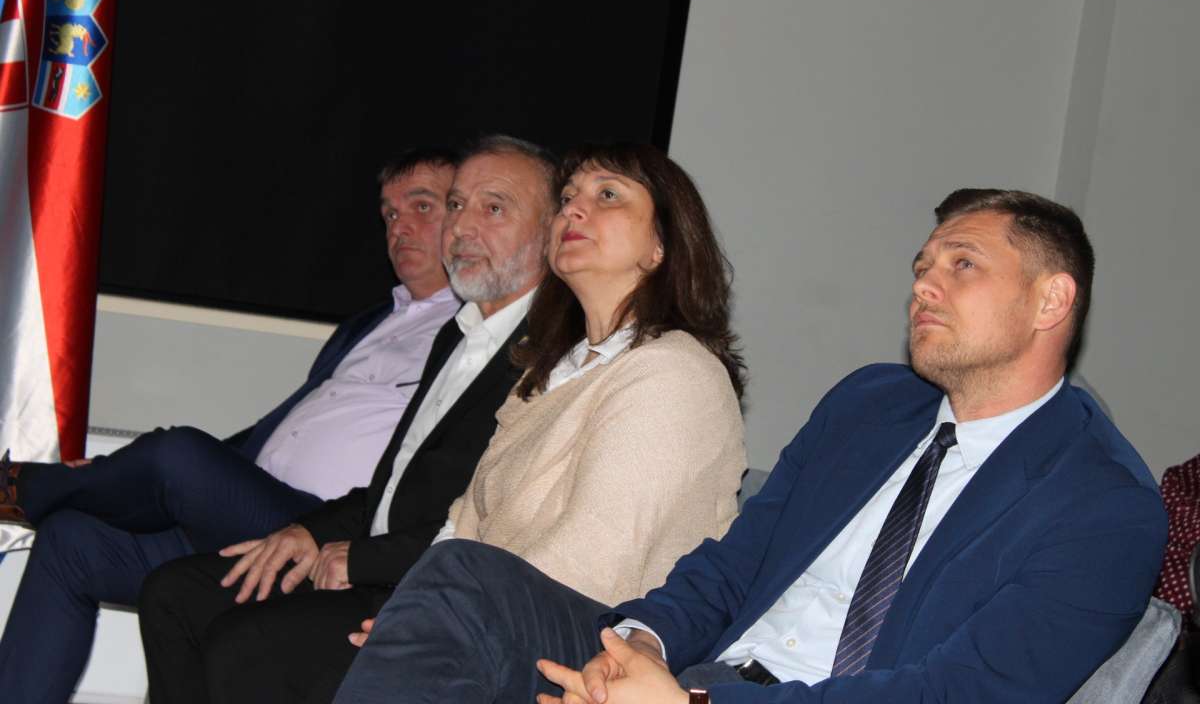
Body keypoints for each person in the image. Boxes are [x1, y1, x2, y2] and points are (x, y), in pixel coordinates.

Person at [331, 188, 1168, 704]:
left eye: (962, 265)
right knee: (463, 581)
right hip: (697, 670)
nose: (923, 283)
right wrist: (639, 648)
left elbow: (958, 693)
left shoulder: (1104, 506)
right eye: (922, 264)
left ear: (1051, 301)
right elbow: (732, 566)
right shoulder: (870, 406)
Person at [139, 142, 749, 704]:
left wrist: (433, 614)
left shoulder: (673, 368)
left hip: (599, 633)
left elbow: (596, 555)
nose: (574, 209)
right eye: (568, 197)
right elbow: (464, 520)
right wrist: (421, 608)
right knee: (211, 614)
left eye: (607, 195)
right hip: (485, 607)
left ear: (661, 246)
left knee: (259, 651)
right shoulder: (548, 374)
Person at [0, 147, 464, 704]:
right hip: (251, 513)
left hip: (326, 529)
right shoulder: (371, 324)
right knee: (71, 539)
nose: (399, 227)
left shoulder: (473, 334)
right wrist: (129, 476)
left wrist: (167, 471)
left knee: (175, 454)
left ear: (463, 214)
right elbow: (265, 437)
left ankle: (20, 487)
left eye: (421, 206)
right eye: (389, 213)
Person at [136, 134, 560, 704]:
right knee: (174, 595)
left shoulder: (553, 356)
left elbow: (501, 523)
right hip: (375, 560)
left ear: (551, 231)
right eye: (457, 205)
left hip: (433, 588)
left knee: (246, 644)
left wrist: (361, 559)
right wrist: (309, 532)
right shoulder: (454, 338)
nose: (461, 226)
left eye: (494, 208)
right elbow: (392, 490)